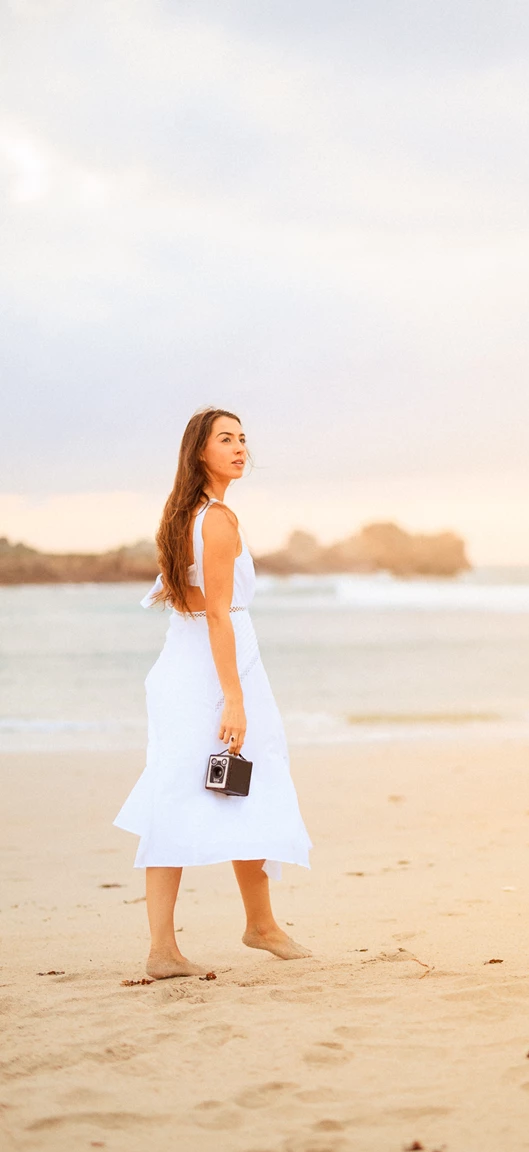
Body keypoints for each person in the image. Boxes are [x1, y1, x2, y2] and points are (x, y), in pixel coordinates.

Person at [114, 407, 312, 978]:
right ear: (199, 450)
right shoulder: (218, 518)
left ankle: (252, 926)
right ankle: (173, 948)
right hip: (215, 667)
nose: (240, 447)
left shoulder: (183, 515)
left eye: (244, 438)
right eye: (226, 438)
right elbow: (220, 614)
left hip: (185, 661)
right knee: (235, 777)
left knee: (207, 786)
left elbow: (178, 598)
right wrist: (234, 697)